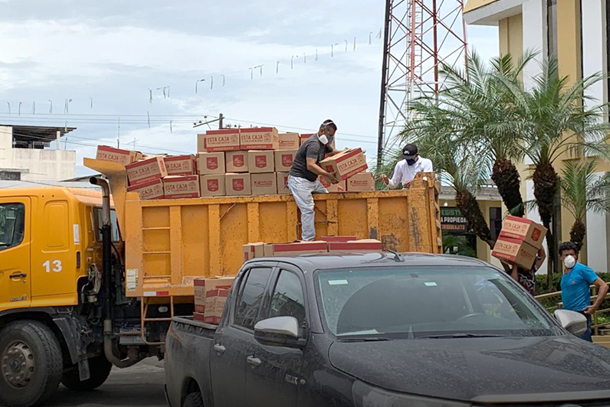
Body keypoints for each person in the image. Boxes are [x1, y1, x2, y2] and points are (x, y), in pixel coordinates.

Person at [288, 120, 341, 241]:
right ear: (322, 131)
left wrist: (348, 152)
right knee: (307, 209)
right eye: (329, 135)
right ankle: (308, 240)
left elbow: (332, 152)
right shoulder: (314, 144)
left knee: (327, 198)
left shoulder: (322, 144)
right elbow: (310, 165)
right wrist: (327, 174)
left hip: (312, 181)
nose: (331, 138)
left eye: (332, 136)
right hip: (299, 180)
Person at [559, 241, 609, 342]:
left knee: (584, 345)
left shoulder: (582, 269)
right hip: (567, 314)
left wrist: (595, 306)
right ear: (560, 257)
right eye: (566, 255)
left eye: (572, 254)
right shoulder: (564, 273)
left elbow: (603, 286)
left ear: (576, 255)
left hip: (581, 313)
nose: (569, 257)